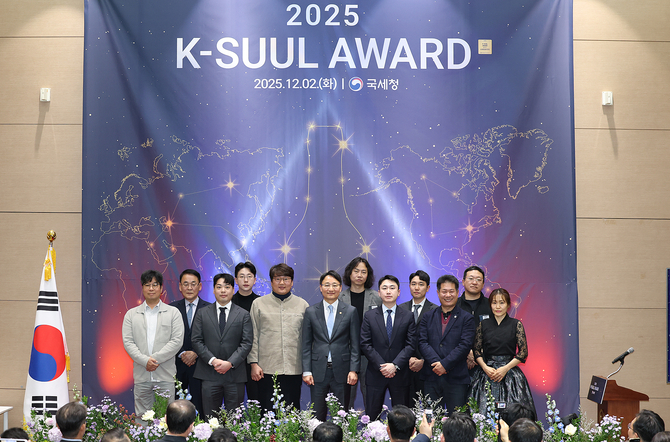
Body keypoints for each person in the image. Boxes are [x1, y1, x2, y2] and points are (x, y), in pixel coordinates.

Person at [122, 270, 184, 418]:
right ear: (142, 288)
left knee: (166, 419)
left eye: (155, 285)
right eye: (147, 285)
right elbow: (128, 342)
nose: (151, 288)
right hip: (142, 376)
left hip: (165, 376)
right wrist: (145, 361)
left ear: (161, 288)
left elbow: (177, 341)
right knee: (143, 419)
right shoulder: (131, 314)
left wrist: (154, 360)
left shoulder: (173, 313)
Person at [248, 263, 309, 411]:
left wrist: (307, 368)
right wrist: (254, 363)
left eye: (286, 279)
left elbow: (307, 339)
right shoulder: (258, 304)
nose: (282, 283)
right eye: (277, 279)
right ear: (271, 282)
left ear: (292, 282)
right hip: (266, 368)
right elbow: (253, 335)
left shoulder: (302, 305)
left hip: (294, 368)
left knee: (292, 410)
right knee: (267, 411)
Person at [191, 273, 253, 416]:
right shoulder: (202, 313)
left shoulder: (243, 314)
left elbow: (246, 343)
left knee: (234, 419)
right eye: (219, 287)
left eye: (227, 287)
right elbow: (196, 340)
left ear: (233, 290)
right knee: (210, 418)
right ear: (213, 290)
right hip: (209, 374)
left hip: (234, 375)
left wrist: (230, 363)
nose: (223, 291)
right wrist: (213, 361)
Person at [302, 270, 360, 420]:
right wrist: (307, 370)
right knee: (317, 415)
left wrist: (353, 370)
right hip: (317, 371)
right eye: (327, 285)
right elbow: (306, 344)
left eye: (335, 285)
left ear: (340, 288)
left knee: (341, 415)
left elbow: (355, 344)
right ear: (320, 288)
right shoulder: (311, 311)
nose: (331, 289)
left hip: (342, 371)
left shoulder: (350, 311)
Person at [468, 288, 535, 416]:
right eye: (494, 303)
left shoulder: (516, 324)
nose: (498, 306)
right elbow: (476, 350)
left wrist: (505, 368)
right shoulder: (483, 324)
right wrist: (485, 368)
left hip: (510, 374)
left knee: (514, 415)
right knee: (481, 414)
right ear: (490, 305)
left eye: (502, 302)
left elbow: (523, 352)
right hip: (487, 372)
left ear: (508, 305)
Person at [360, 275, 416, 420]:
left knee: (402, 418)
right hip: (375, 374)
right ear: (379, 292)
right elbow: (365, 343)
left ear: (399, 292)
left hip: (400, 374)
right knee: (372, 417)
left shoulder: (408, 316)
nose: (388, 291)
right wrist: (382, 365)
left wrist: (395, 365)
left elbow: (411, 344)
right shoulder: (369, 316)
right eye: (384, 288)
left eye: (392, 288)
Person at [418, 275, 475, 415]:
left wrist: (445, 364)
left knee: (457, 420)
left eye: (451, 291)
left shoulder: (467, 318)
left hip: (456, 378)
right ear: (438, 293)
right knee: (431, 419)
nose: (448, 295)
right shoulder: (427, 316)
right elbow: (422, 342)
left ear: (457, 292)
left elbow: (465, 345)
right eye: (444, 291)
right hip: (431, 376)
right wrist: (436, 363)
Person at [338, 257, 382, 409]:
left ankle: (372, 424)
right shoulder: (340, 298)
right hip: (346, 356)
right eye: (356, 271)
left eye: (364, 272)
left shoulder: (377, 298)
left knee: (371, 400)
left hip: (369, 356)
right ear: (349, 273)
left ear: (368, 275)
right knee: (345, 401)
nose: (359, 275)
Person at [169, 269, 211, 416]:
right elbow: (167, 336)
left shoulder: (210, 309)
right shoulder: (171, 309)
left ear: (200, 286)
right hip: (176, 365)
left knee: (201, 406)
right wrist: (181, 353)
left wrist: (196, 352)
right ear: (180, 286)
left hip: (201, 366)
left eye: (193, 284)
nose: (189, 288)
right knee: (176, 408)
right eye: (185, 284)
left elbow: (212, 337)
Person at [399, 270, 437, 406]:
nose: (416, 287)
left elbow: (436, 340)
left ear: (428, 288)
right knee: (405, 408)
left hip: (427, 368)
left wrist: (423, 360)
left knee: (429, 408)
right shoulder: (401, 309)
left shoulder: (435, 310)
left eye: (421, 284)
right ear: (409, 286)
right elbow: (397, 338)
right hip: (405, 367)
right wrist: (407, 358)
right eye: (413, 284)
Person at [231, 261, 261, 402]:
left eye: (249, 276)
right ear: (236, 280)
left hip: (256, 360)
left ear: (255, 280)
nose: (246, 280)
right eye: (241, 276)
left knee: (257, 400)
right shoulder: (228, 302)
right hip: (233, 359)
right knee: (234, 402)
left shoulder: (261, 303)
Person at [455, 266, 492, 372]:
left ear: (483, 284)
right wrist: (466, 351)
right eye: (470, 278)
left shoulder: (491, 305)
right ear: (463, 282)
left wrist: (477, 353)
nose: (474, 282)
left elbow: (498, 332)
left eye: (478, 279)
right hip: (457, 361)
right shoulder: (454, 305)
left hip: (486, 364)